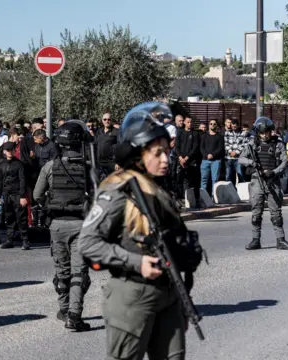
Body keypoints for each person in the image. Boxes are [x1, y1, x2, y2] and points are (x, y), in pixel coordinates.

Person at [78, 102, 204, 359]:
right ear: (137, 155)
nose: (165, 159)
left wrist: (182, 302)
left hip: (169, 294)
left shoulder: (158, 191)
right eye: (157, 153)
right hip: (132, 295)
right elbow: (88, 243)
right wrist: (137, 262)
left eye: (167, 152)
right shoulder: (118, 191)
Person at [34, 120, 94, 332]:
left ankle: (65, 309)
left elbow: (37, 196)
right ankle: (74, 316)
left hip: (57, 225)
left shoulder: (50, 166)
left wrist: (51, 207)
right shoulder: (88, 168)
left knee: (62, 270)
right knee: (79, 273)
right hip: (81, 226)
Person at [239, 117, 288, 251]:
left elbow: (284, 161)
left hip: (273, 181)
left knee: (276, 213)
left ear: (271, 131)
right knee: (256, 212)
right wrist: (252, 163)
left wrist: (274, 172)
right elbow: (241, 158)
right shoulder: (253, 144)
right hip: (257, 181)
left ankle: (280, 240)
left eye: (267, 132)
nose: (265, 135)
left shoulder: (278, 144)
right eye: (262, 133)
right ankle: (255, 240)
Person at [0, 141, 29, 250]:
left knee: (21, 218)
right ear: (4, 151)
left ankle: (25, 240)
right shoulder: (2, 165)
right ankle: (9, 240)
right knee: (9, 217)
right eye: (8, 150)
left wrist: (23, 196)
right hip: (6, 194)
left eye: (12, 150)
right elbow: (0, 180)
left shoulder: (19, 164)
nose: (10, 152)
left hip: (17, 194)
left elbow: (22, 180)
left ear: (15, 151)